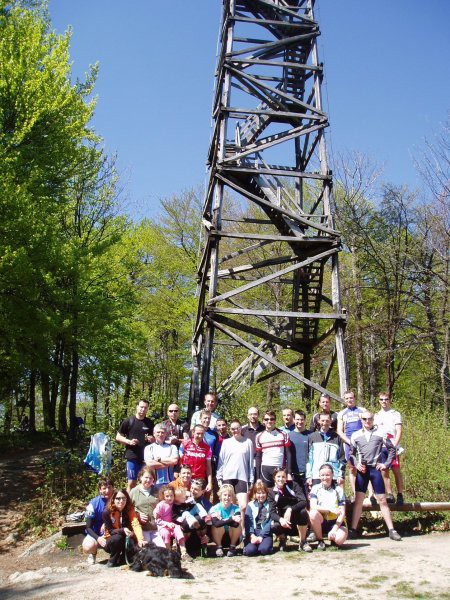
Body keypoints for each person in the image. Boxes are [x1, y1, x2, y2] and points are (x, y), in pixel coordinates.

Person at [348, 411, 402, 541]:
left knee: (382, 500)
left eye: (370, 419)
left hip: (375, 470)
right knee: (358, 501)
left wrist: (386, 464)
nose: (367, 421)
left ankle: (391, 530)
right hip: (362, 471)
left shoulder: (380, 433)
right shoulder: (355, 435)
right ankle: (353, 530)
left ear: (373, 420)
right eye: (365, 419)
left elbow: (392, 449)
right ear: (361, 420)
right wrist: (356, 464)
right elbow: (351, 454)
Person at [216, 419, 254, 521]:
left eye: (237, 428)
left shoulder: (248, 442)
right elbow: (221, 461)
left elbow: (251, 462)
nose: (235, 430)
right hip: (227, 477)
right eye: (232, 429)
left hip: (242, 477)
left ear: (241, 428)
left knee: (243, 506)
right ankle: (228, 529)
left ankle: (242, 531)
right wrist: (219, 478)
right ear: (230, 430)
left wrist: (251, 479)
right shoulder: (226, 442)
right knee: (227, 505)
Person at [268, 468, 311, 552]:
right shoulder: (271, 492)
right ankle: (282, 540)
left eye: (283, 477)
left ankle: (303, 541)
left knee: (303, 512)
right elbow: (272, 512)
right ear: (274, 478)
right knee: (274, 526)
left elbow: (303, 501)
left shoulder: (293, 485)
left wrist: (290, 509)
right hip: (283, 520)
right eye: (278, 477)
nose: (281, 479)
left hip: (295, 517)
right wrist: (281, 520)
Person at [116, 399, 154, 492]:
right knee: (131, 483)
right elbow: (118, 437)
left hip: (145, 457)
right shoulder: (129, 421)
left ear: (147, 409)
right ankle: (128, 504)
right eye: (141, 407)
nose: (143, 409)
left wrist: (152, 439)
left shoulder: (149, 422)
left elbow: (155, 437)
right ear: (137, 407)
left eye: (145, 408)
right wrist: (129, 441)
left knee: (145, 482)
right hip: (132, 455)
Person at [102, 488, 145, 567]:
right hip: (111, 539)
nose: (121, 501)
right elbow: (111, 531)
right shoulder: (107, 512)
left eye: (124, 498)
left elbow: (135, 524)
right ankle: (113, 559)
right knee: (117, 538)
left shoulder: (129, 509)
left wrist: (140, 539)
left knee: (132, 537)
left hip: (126, 538)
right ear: (113, 499)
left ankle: (123, 558)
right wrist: (123, 530)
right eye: (118, 498)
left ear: (127, 499)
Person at [374, 393, 405, 505]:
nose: (384, 401)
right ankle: (390, 494)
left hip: (392, 444)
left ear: (389, 400)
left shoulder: (395, 414)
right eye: (381, 399)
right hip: (381, 446)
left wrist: (395, 446)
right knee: (384, 470)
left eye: (386, 399)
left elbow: (399, 431)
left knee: (396, 470)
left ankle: (400, 494)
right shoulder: (376, 415)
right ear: (379, 401)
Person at [308, 464, 348, 550]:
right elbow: (313, 506)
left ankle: (333, 538)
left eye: (327, 475)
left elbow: (342, 512)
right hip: (322, 521)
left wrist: (335, 529)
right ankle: (320, 540)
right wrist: (330, 509)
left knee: (339, 540)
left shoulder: (339, 490)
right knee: (313, 514)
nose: (325, 477)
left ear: (332, 475)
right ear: (319, 476)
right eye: (322, 475)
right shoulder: (315, 488)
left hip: (337, 522)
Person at [336, 390, 365, 495]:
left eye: (351, 398)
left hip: (363, 443)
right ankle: (355, 493)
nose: (349, 400)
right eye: (347, 398)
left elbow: (368, 425)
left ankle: (371, 494)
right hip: (349, 444)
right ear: (344, 400)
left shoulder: (362, 410)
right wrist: (350, 442)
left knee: (366, 467)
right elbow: (339, 431)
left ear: (354, 398)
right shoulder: (342, 413)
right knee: (352, 468)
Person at [306, 412, 345, 487]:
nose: (325, 423)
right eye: (322, 420)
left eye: (327, 420)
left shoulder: (337, 438)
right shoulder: (312, 437)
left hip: (333, 476)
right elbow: (308, 459)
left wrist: (341, 475)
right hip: (316, 475)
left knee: (333, 498)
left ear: (331, 421)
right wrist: (309, 476)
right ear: (318, 421)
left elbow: (341, 458)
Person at [129, 466, 165, 547]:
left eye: (151, 478)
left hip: (156, 528)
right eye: (146, 477)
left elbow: (164, 506)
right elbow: (128, 509)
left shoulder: (158, 491)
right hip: (142, 529)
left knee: (161, 549)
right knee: (146, 548)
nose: (148, 480)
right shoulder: (133, 492)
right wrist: (137, 514)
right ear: (141, 477)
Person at [154, 485, 191, 561]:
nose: (169, 498)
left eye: (171, 495)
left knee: (178, 531)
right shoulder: (161, 505)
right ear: (163, 497)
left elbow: (184, 496)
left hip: (173, 524)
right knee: (165, 534)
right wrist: (167, 524)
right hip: (163, 526)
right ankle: (169, 553)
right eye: (167, 496)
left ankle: (184, 552)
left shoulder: (175, 504)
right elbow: (157, 520)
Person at [255, 410, 290, 487]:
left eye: (272, 419)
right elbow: (258, 457)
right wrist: (258, 477)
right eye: (266, 419)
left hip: (280, 468)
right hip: (265, 469)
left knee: (280, 495)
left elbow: (288, 454)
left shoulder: (284, 434)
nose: (269, 421)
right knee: (266, 494)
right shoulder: (259, 436)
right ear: (263, 421)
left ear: (275, 421)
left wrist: (289, 472)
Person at [82, 478, 113, 565]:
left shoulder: (118, 499)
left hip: (112, 532)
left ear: (113, 488)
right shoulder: (93, 504)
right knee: (88, 546)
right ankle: (93, 553)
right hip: (96, 534)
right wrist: (98, 538)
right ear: (100, 490)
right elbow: (88, 527)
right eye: (104, 488)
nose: (107, 491)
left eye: (109, 487)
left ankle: (116, 554)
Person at [209, 484, 242, 557]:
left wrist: (222, 520)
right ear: (220, 496)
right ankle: (219, 547)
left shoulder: (236, 508)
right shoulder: (214, 508)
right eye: (225, 495)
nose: (227, 497)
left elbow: (236, 524)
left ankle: (232, 547)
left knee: (237, 525)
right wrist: (231, 519)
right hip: (219, 537)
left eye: (229, 495)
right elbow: (216, 524)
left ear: (232, 497)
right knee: (216, 526)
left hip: (233, 538)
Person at [179, 424, 213, 493]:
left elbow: (208, 466)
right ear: (193, 432)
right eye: (198, 433)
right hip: (186, 477)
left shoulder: (207, 448)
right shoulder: (184, 444)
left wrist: (209, 482)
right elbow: (179, 462)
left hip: (199, 479)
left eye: (202, 434)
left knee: (197, 501)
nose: (200, 436)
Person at [143, 424, 179, 490]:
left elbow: (175, 461)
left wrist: (158, 460)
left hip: (170, 482)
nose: (160, 434)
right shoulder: (148, 448)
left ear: (166, 434)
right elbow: (150, 464)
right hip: (154, 483)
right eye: (158, 432)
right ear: (154, 434)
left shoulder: (172, 447)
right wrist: (168, 463)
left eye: (162, 432)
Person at [243, 480, 273, 556]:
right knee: (250, 551)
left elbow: (270, 522)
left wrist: (261, 536)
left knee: (264, 550)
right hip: (253, 532)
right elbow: (248, 522)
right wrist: (252, 535)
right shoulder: (250, 505)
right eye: (258, 493)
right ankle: (249, 546)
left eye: (263, 493)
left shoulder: (270, 505)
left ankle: (265, 545)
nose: (261, 495)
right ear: (255, 494)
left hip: (265, 532)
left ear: (266, 493)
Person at [288, 410, 311, 489]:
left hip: (308, 474)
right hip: (293, 473)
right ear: (293, 420)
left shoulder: (311, 435)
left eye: (302, 419)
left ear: (305, 420)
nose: (300, 422)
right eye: (297, 419)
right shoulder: (288, 436)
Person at [241, 406, 264, 479]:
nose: (253, 416)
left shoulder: (264, 429)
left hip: (262, 462)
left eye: (255, 414)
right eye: (250, 414)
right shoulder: (242, 430)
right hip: (247, 463)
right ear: (247, 416)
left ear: (258, 415)